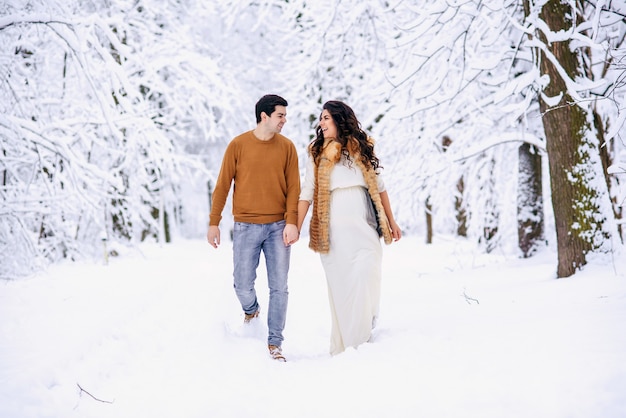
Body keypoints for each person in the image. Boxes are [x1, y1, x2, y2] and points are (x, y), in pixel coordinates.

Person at [297, 100, 402, 356]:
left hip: (364, 225)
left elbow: (380, 186)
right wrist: (295, 226)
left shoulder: (361, 149)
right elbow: (307, 191)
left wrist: (391, 220)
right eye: (320, 119)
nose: (320, 123)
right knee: (342, 286)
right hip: (332, 231)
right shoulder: (316, 151)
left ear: (339, 119)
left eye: (325, 118)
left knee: (367, 273)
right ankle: (351, 346)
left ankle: (364, 331)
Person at [207, 94, 300, 362]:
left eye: (284, 115)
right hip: (246, 226)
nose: (284, 120)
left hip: (278, 227)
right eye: (280, 115)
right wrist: (214, 222)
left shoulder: (287, 147)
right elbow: (223, 185)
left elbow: (294, 187)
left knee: (279, 287)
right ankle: (251, 310)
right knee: (242, 284)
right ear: (264, 116)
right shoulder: (238, 145)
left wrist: (292, 222)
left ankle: (275, 343)